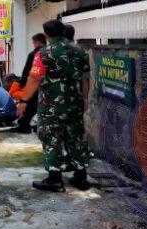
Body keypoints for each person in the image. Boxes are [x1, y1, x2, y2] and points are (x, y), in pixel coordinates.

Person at [17, 20, 92, 192]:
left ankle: (55, 179)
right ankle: (81, 177)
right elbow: (85, 79)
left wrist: (23, 101)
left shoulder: (43, 53)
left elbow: (35, 79)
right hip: (75, 104)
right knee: (76, 137)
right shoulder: (80, 52)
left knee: (52, 138)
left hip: (51, 105)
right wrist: (85, 99)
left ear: (46, 35)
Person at [14, 33, 47, 133]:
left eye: (33, 42)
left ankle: (24, 125)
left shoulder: (34, 54)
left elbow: (27, 71)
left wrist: (22, 85)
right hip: (49, 87)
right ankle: (40, 126)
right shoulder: (52, 51)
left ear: (37, 42)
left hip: (35, 85)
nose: (33, 44)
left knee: (29, 106)